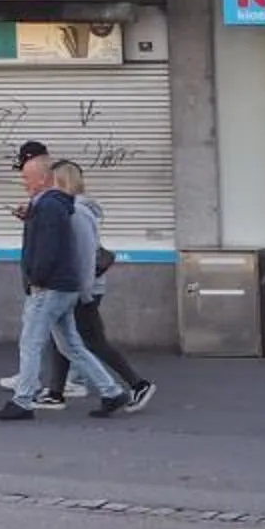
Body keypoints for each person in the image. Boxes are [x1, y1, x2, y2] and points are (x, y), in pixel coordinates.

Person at [0, 150, 131, 420]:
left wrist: (37, 279)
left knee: (31, 342)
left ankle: (22, 401)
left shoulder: (49, 206)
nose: (24, 183)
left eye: (27, 178)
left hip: (50, 287)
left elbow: (48, 248)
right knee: (70, 345)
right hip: (64, 287)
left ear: (44, 179)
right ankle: (112, 392)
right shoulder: (53, 205)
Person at [49, 160, 155, 411]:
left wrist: (84, 291)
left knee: (92, 339)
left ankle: (138, 384)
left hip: (85, 287)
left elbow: (84, 254)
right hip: (82, 285)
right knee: (61, 336)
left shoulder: (77, 210)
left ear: (61, 181)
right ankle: (55, 391)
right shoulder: (77, 208)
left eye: (52, 181)